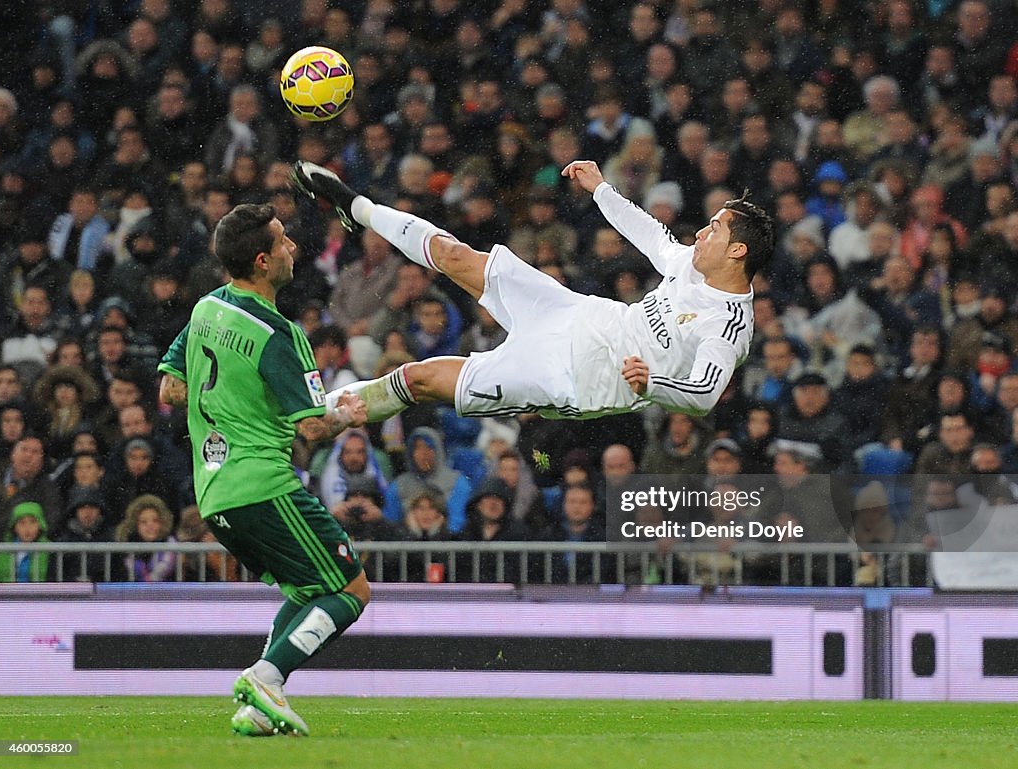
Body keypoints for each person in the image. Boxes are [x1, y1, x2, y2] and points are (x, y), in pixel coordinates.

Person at [291, 157, 774, 425]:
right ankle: (358, 207)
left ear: (738, 253)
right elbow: (653, 237)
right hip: (578, 315)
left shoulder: (728, 325)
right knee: (459, 256)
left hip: (577, 377)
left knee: (420, 378)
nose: (702, 234)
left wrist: (652, 385)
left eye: (715, 229)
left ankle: (327, 415)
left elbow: (705, 394)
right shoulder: (692, 265)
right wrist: (602, 189)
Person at [157, 203, 370, 738]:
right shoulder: (280, 333)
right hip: (262, 484)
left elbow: (172, 388)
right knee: (350, 590)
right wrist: (346, 415)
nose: (292, 247)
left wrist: (227, 418)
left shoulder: (206, 309)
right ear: (262, 261)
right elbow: (314, 429)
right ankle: (267, 676)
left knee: (304, 591)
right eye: (282, 242)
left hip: (214, 492)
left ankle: (258, 707)